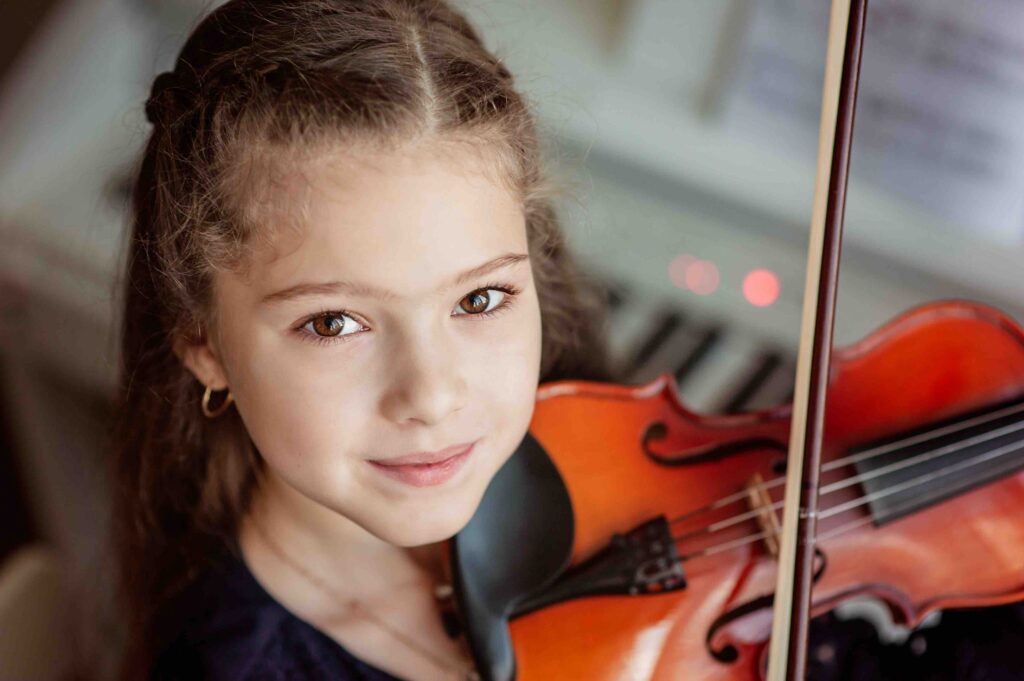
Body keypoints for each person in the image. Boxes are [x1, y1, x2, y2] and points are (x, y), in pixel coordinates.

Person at [110, 1, 611, 679]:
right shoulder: (235, 664)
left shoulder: (601, 452)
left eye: (479, 298)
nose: (431, 395)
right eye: (332, 322)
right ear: (203, 344)